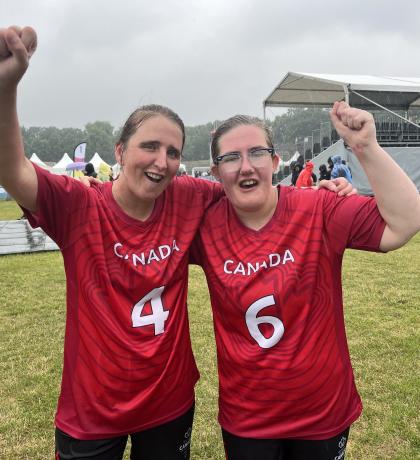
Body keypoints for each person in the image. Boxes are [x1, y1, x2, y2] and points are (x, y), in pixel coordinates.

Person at [0, 25, 354, 459]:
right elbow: (13, 169)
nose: (161, 161)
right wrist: (7, 87)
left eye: (173, 152)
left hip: (169, 403)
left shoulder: (190, 196)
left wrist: (318, 194)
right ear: (120, 151)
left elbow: (251, 188)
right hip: (92, 408)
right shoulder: (77, 205)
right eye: (150, 146)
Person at [190, 105, 420, 460]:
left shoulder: (320, 208)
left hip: (321, 411)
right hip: (248, 416)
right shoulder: (203, 227)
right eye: (231, 157)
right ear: (216, 170)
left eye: (257, 153)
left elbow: (404, 223)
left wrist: (366, 148)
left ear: (277, 161)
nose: (247, 166)